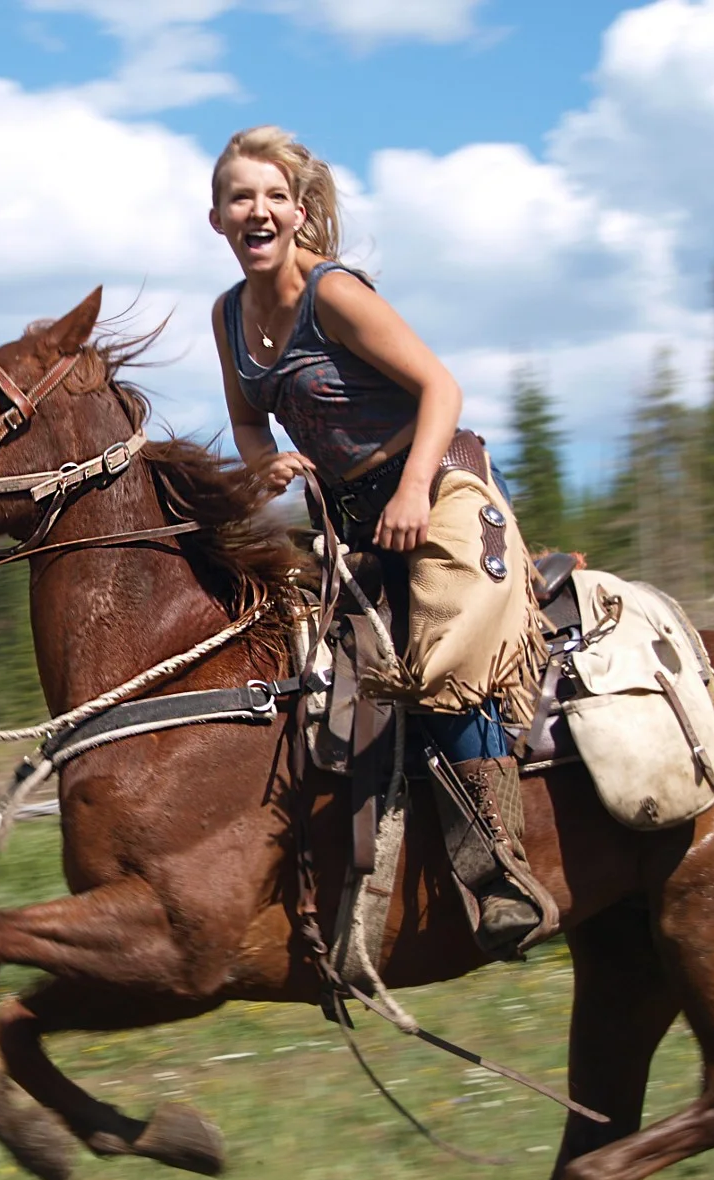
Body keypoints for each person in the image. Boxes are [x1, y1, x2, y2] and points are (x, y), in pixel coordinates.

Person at [206, 125, 542, 954]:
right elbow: (250, 419)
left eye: (274, 197)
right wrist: (266, 463)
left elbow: (441, 386)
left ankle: (501, 872)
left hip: (443, 490)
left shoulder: (333, 294)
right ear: (215, 217)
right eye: (240, 197)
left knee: (439, 660)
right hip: (348, 521)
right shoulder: (229, 317)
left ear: (298, 211)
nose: (258, 211)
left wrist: (419, 489)